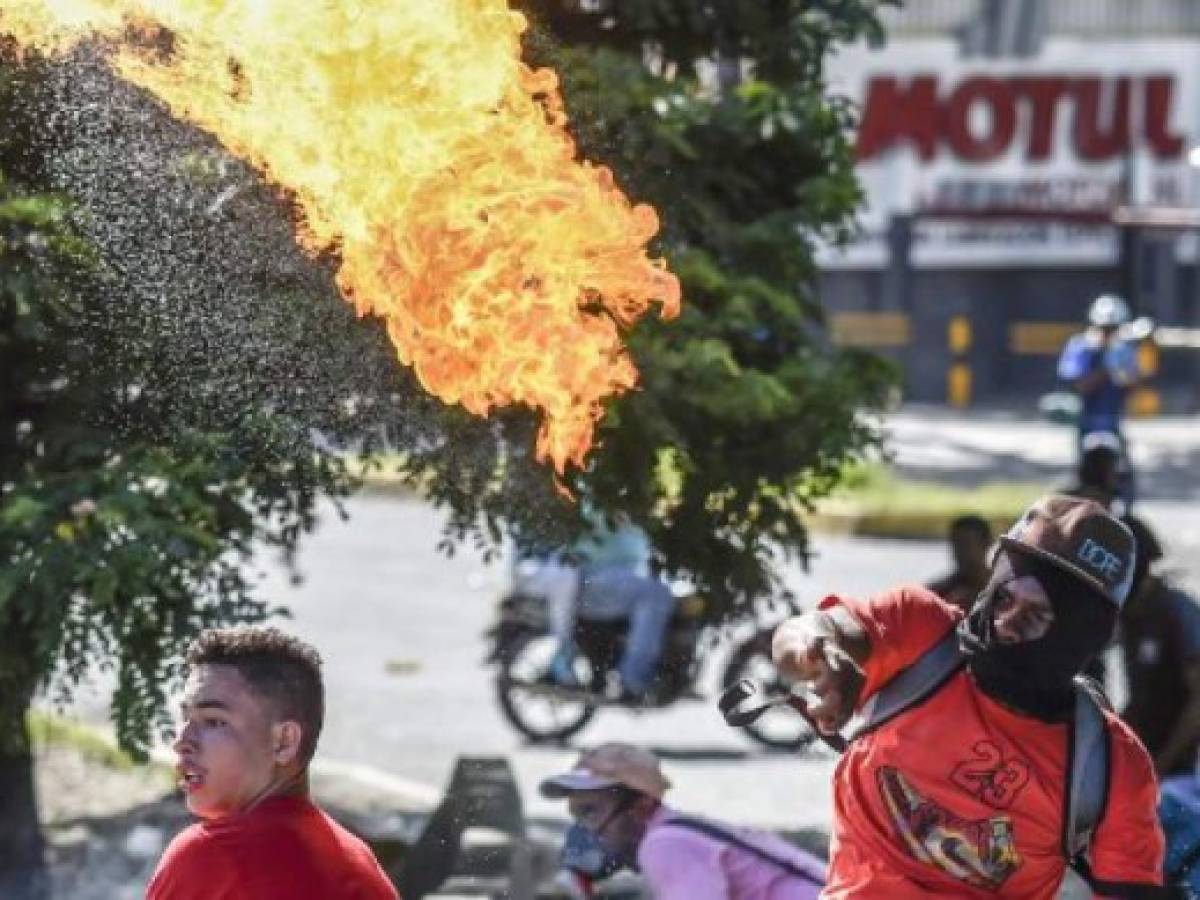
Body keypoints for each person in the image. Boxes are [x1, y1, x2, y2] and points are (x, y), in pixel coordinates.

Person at [772, 494, 1166, 897]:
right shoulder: (920, 634)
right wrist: (820, 652)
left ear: (1081, 637)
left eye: (1036, 616)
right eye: (1004, 599)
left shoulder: (1113, 765)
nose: (1006, 625)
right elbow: (808, 631)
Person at [147, 627, 399, 899]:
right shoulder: (357, 860)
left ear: (284, 742)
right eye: (185, 717)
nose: (182, 741)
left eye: (214, 721)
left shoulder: (210, 854)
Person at [540, 742, 825, 899]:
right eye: (577, 815)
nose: (585, 830)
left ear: (641, 805)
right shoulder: (679, 833)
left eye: (591, 812)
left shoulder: (665, 846)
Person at [516, 510, 676, 702]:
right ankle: (634, 680)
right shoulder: (591, 498)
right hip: (590, 578)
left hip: (604, 576)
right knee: (656, 594)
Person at [1119, 515, 1200, 779]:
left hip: (1179, 771)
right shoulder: (1129, 614)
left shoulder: (1178, 612)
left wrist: (1162, 764)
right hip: (1144, 758)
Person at [1057, 294, 1141, 503]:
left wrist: (1121, 368)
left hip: (1113, 422)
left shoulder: (1123, 349)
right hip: (1087, 423)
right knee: (1088, 476)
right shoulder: (1081, 347)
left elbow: (1130, 385)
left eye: (1113, 328)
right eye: (1105, 328)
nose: (1109, 333)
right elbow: (1081, 385)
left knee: (1121, 474)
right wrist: (1104, 365)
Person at [927, 514, 993, 612]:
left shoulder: (1004, 589)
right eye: (956, 544)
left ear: (986, 543)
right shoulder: (937, 594)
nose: (960, 552)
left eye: (966, 544)